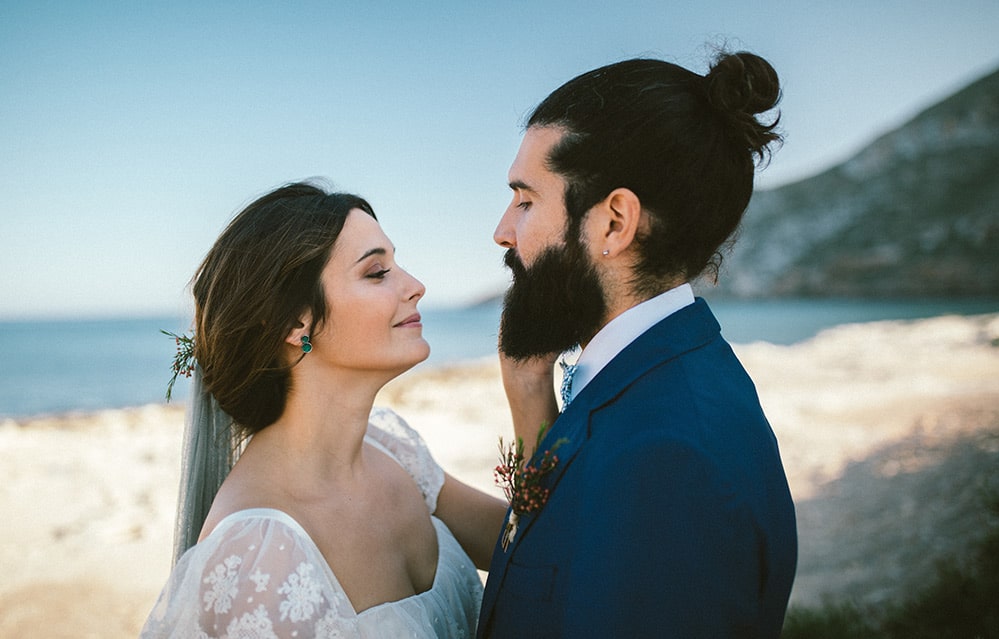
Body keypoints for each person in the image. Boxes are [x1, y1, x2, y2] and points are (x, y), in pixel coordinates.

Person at [477, 51, 798, 637]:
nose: (502, 230)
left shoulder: (669, 460)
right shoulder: (658, 376)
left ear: (614, 222)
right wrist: (529, 396)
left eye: (525, 200)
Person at [142, 181, 507, 638]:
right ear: (297, 321)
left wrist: (528, 388)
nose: (415, 286)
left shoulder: (394, 451)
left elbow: (536, 554)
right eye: (377, 272)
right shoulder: (259, 558)